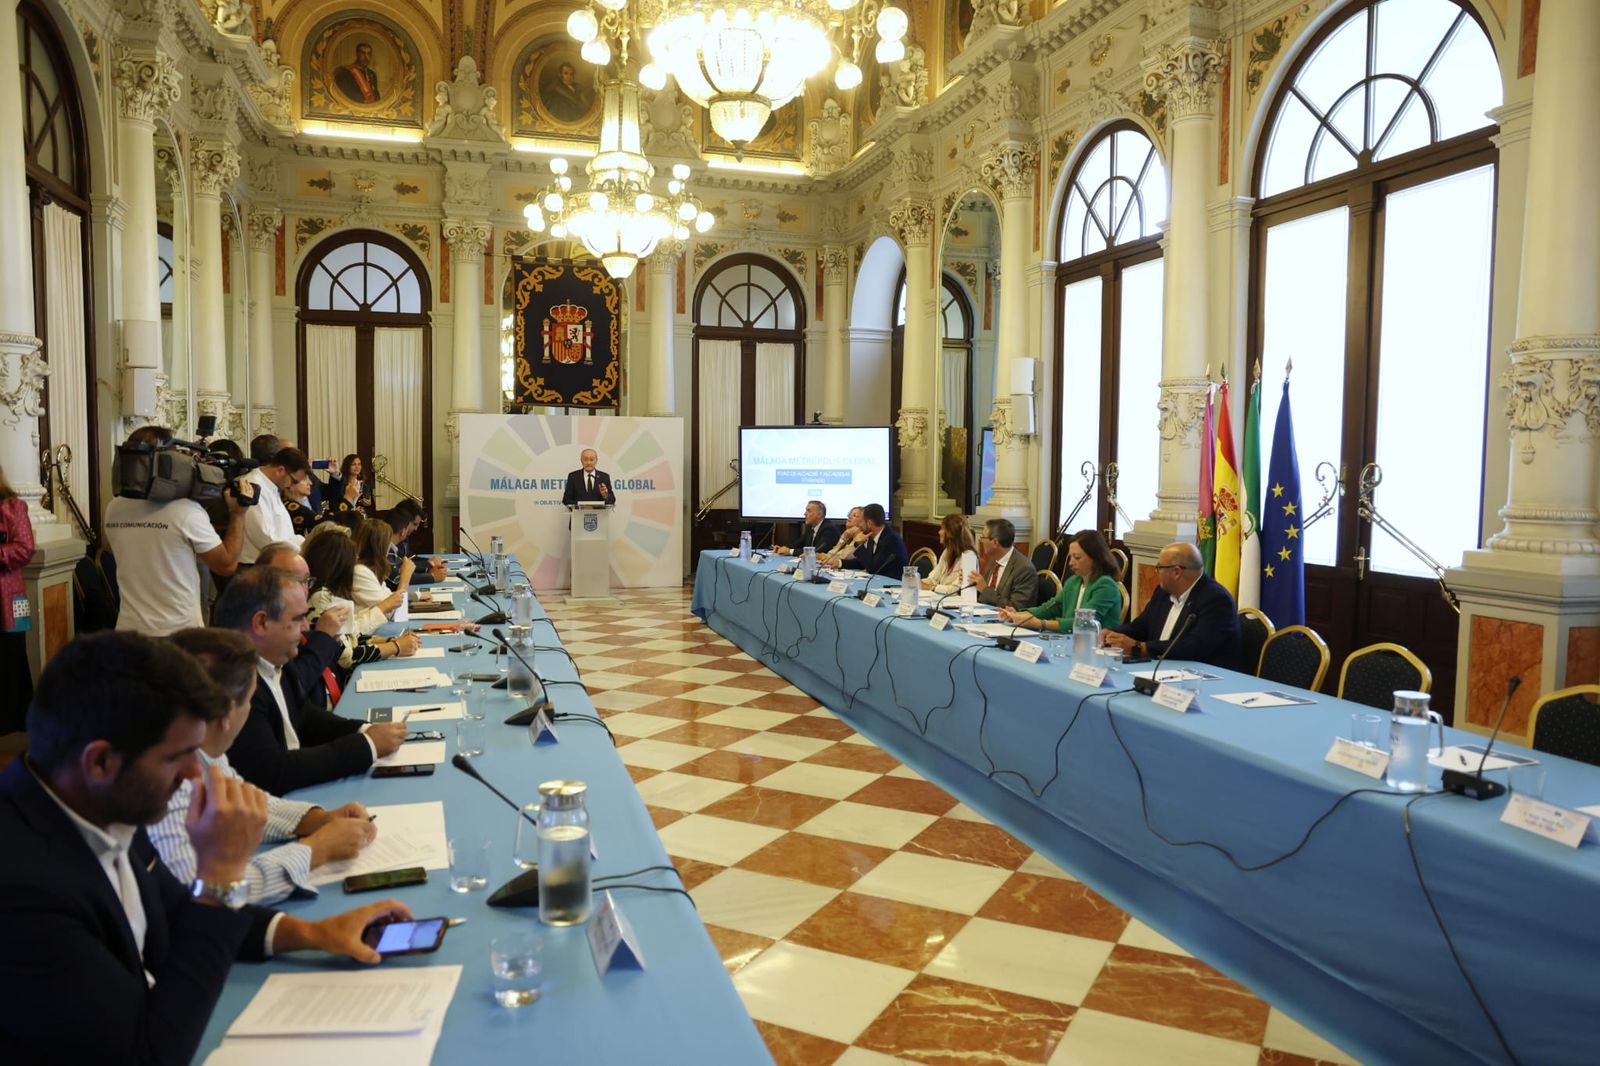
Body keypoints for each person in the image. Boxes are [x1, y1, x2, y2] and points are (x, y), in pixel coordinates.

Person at [0, 630, 411, 1065]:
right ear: (100, 762)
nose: (195, 775)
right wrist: (221, 873)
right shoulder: (23, 890)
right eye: (177, 757)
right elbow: (150, 1055)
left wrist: (312, 933)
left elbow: (177, 913)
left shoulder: (102, 802)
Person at [151, 627, 377, 904]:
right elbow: (204, 894)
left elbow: (250, 803)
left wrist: (321, 819)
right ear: (226, 717)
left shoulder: (206, 750)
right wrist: (317, 850)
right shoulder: (166, 784)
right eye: (248, 701)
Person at [216, 566, 408, 794]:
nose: (307, 628)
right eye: (298, 619)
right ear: (261, 623)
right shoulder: (234, 684)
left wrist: (364, 729)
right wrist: (367, 746)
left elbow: (304, 715)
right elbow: (272, 771)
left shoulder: (277, 662)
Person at [104, 425, 255, 635]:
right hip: (178, 633)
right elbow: (226, 565)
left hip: (129, 631)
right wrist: (238, 514)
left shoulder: (114, 508)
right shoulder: (185, 511)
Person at [1103, 541, 1242, 669]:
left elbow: (1194, 646)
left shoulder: (1216, 600)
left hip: (1200, 677)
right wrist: (1112, 634)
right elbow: (1141, 626)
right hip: (1158, 669)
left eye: (1159, 567)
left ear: (1176, 572)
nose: (1156, 572)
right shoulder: (1163, 593)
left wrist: (1142, 648)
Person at [1000, 530, 1122, 632]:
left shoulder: (1106, 585)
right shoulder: (1074, 581)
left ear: (1095, 557)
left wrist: (1042, 624)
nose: (1071, 563)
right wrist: (1019, 615)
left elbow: (1084, 623)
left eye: (1077, 557)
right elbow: (1050, 608)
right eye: (1070, 557)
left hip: (1098, 647)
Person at [0, 462, 35, 731]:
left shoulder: (13, 506)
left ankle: (11, 723)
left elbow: (25, 549)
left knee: (12, 658)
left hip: (9, 598)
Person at [241, 447, 311, 564]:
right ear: (280, 470)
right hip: (256, 565)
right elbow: (264, 537)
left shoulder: (272, 486)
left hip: (275, 560)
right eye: (293, 481)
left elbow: (285, 533)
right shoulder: (254, 485)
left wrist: (308, 544)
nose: (292, 487)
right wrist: (302, 549)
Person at [353, 518, 415, 622]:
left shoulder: (370, 569)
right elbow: (395, 613)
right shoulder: (359, 573)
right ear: (380, 547)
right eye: (388, 543)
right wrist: (405, 577)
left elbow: (389, 598)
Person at [971, 518, 1038, 610]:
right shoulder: (994, 560)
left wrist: (985, 590)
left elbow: (1016, 607)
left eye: (983, 537)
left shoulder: (1024, 569)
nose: (981, 541)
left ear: (995, 542)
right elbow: (983, 596)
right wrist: (972, 584)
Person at [841, 503, 909, 577]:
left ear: (869, 523)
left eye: (861, 522)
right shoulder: (872, 535)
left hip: (892, 584)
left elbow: (872, 568)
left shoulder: (891, 540)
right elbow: (864, 562)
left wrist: (858, 544)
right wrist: (839, 563)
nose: (859, 525)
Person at [923, 512, 979, 596]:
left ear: (950, 533)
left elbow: (955, 590)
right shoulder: (947, 551)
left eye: (942, 529)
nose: (939, 532)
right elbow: (933, 578)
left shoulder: (969, 556)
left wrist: (932, 587)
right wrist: (917, 582)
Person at [775, 500, 839, 556]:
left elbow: (817, 551)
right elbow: (798, 543)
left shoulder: (829, 529)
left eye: (808, 511)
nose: (805, 514)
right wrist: (782, 548)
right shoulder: (810, 527)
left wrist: (790, 551)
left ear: (819, 514)